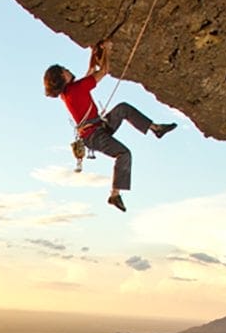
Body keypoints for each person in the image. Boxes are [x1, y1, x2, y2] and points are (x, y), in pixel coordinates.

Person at [44, 41, 176, 212]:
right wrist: (107, 51)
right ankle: (114, 195)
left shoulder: (68, 92)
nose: (68, 69)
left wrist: (93, 53)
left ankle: (155, 129)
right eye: (64, 69)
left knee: (122, 109)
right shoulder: (76, 90)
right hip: (94, 136)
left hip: (98, 129)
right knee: (124, 154)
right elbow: (103, 71)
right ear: (62, 77)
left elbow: (90, 72)